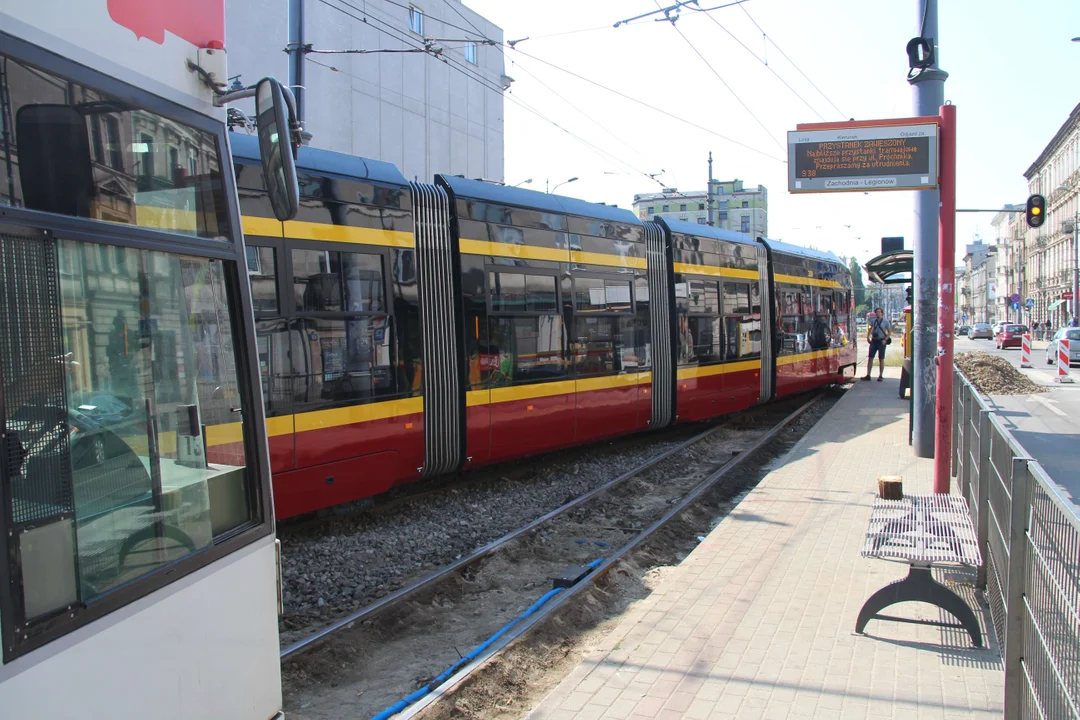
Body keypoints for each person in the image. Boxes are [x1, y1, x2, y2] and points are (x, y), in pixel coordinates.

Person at [863, 307, 891, 382]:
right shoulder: (873, 321)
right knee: (870, 357)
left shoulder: (885, 321)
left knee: (881, 358)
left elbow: (889, 332)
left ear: (882, 313)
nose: (878, 313)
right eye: (877, 312)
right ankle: (868, 375)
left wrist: (885, 340)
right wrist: (868, 336)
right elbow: (871, 328)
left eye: (879, 312)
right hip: (874, 341)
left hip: (881, 341)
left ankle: (880, 375)